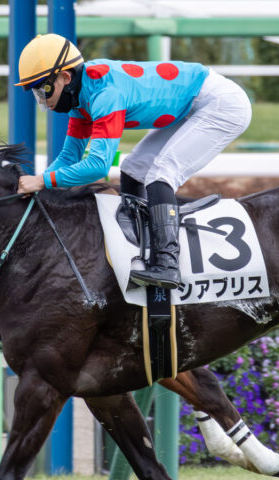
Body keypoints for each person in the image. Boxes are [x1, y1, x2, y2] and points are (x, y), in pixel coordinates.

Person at [15, 34, 252, 290]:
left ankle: (167, 265)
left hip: (221, 104)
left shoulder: (105, 94)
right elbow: (68, 158)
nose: (42, 99)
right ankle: (139, 248)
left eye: (43, 88)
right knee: (133, 170)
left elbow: (98, 166)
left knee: (161, 174)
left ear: (66, 77)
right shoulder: (79, 99)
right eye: (35, 91)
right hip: (191, 104)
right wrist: (37, 185)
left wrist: (41, 180)